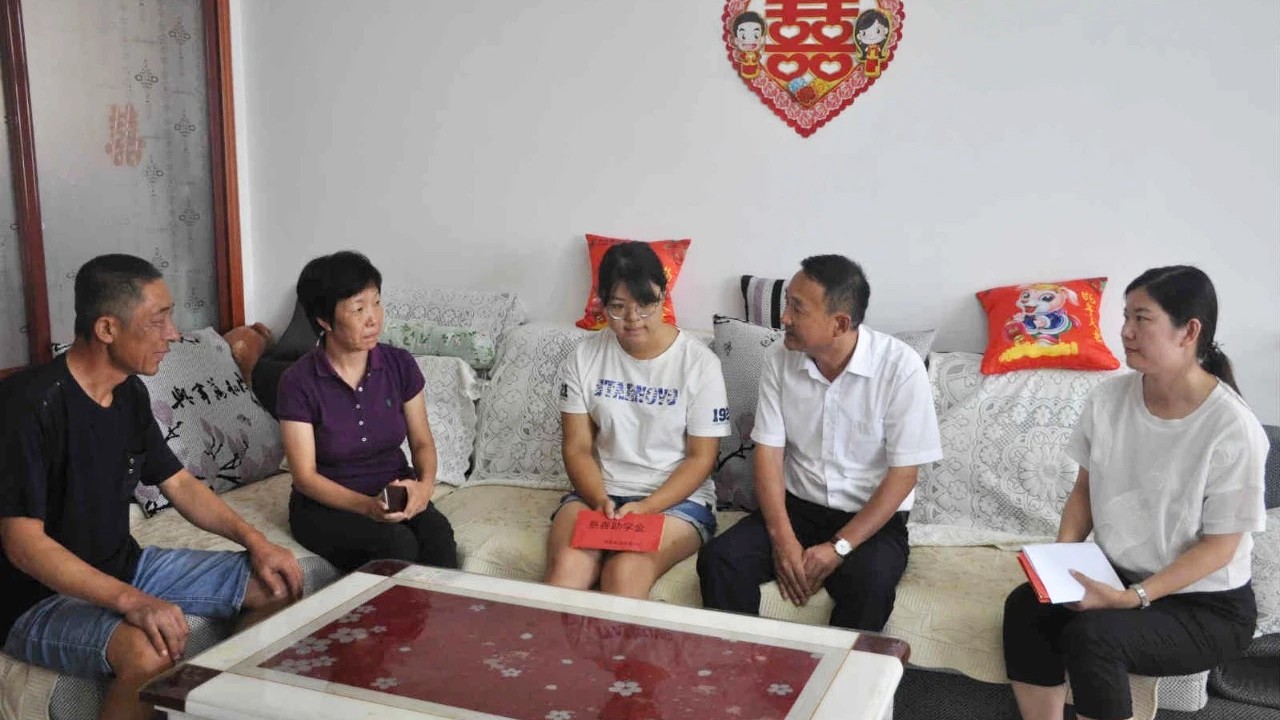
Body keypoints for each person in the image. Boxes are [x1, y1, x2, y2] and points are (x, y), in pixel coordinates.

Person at [0, 254, 303, 720]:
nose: (173, 334)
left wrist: (256, 542)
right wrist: (133, 602)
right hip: (35, 597)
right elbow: (23, 544)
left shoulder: (129, 392)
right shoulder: (30, 405)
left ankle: (217, 710)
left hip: (124, 564)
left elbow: (179, 483)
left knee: (278, 584)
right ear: (107, 328)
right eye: (158, 320)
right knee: (147, 651)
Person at [1003, 266, 1267, 720]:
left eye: (1142, 319)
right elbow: (1085, 489)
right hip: (1118, 574)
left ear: (1189, 332)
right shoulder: (1108, 399)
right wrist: (1060, 564)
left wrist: (1133, 597)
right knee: (1027, 607)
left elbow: (1220, 547)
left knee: (1094, 637)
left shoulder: (1231, 428)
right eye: (1126, 316)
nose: (1125, 331)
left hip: (1205, 606)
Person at [698, 254, 942, 631]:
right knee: (720, 560)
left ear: (839, 323)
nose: (784, 318)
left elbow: (904, 475)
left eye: (797, 308)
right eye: (787, 303)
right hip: (798, 508)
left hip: (871, 521)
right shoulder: (779, 358)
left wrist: (839, 548)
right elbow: (768, 455)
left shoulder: (900, 367)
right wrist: (783, 540)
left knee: (869, 585)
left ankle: (840, 672)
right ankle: (742, 665)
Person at [544, 241, 730, 598]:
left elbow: (701, 458)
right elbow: (577, 447)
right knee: (568, 570)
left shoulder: (699, 364)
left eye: (645, 305)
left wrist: (646, 507)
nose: (633, 319)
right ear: (602, 303)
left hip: (675, 501)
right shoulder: (584, 357)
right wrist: (599, 499)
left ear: (663, 297)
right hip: (599, 492)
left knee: (625, 573)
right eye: (618, 307)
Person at [277, 251, 458, 573]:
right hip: (326, 506)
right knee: (396, 545)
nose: (373, 318)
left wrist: (424, 487)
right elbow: (305, 478)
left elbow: (422, 443)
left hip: (392, 492)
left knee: (438, 536)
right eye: (359, 309)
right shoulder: (298, 381)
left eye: (377, 303)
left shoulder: (399, 364)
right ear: (324, 320)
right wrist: (367, 507)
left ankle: (444, 609)